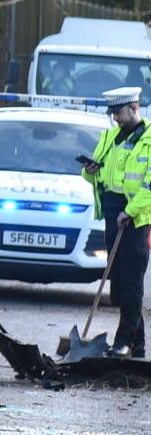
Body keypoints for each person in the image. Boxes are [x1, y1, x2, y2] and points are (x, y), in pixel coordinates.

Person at [79, 86, 149, 357]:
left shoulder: (149, 139)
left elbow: (149, 185)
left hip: (135, 219)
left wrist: (130, 211)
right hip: (112, 214)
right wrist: (90, 170)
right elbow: (96, 176)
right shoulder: (110, 137)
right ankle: (138, 344)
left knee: (131, 283)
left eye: (118, 112)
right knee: (119, 283)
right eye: (112, 113)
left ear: (134, 108)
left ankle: (123, 342)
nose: (115, 118)